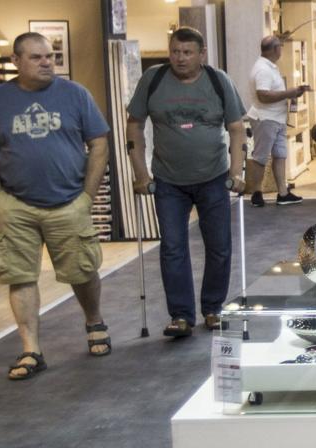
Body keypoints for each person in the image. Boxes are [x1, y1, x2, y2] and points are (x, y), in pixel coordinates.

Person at [0, 32, 110, 380]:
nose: (47, 62)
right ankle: (30, 348)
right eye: (36, 57)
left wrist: (86, 198)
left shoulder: (75, 94)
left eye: (49, 56)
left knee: (82, 269)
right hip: (15, 205)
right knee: (19, 275)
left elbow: (99, 143)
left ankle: (94, 321)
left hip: (68, 201)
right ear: (16, 61)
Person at [127, 26, 246, 338]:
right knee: (172, 247)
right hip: (168, 180)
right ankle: (181, 315)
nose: (180, 58)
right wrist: (140, 172)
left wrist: (236, 172)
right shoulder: (153, 79)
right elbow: (134, 126)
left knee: (219, 246)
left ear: (201, 54)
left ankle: (213, 308)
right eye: (175, 51)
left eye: (187, 52)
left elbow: (236, 128)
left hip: (214, 177)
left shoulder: (219, 81)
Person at [245, 35, 307, 208]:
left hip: (277, 118)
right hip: (266, 119)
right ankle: (256, 193)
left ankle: (283, 193)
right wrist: (289, 93)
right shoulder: (263, 69)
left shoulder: (270, 67)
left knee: (280, 155)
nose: (281, 49)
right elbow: (263, 95)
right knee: (261, 157)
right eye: (280, 46)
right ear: (275, 49)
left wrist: (292, 93)